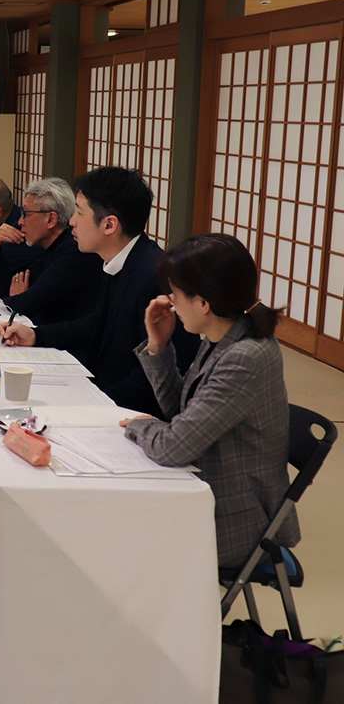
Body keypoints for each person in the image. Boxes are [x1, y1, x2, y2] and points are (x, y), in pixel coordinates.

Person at [120, 233, 296, 567]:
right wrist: (159, 346)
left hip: (237, 520)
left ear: (203, 303)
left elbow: (172, 447)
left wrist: (143, 427)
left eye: (175, 293)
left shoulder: (245, 356)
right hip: (208, 490)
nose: (170, 302)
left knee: (120, 534)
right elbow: (182, 411)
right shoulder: (226, 334)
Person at [0, 166, 197, 416]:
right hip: (105, 393)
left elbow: (155, 377)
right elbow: (95, 324)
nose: (71, 222)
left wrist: (91, 404)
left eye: (80, 212)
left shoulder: (154, 278)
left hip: (133, 415)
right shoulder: (118, 261)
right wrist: (36, 336)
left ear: (109, 225)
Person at [0, 177, 103, 325]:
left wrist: (17, 299)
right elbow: (7, 292)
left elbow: (21, 304)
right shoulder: (49, 248)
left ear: (51, 219)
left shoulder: (74, 252)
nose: (20, 222)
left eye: (26, 214)